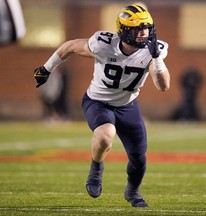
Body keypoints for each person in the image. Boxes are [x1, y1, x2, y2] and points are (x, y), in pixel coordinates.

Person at [33, 4, 170, 208]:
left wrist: (157, 59)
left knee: (139, 157)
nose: (144, 33)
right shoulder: (103, 44)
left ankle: (132, 191)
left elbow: (163, 86)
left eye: (147, 28)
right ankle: (96, 169)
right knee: (106, 134)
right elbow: (70, 46)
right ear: (124, 30)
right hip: (97, 102)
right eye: (138, 28)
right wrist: (46, 68)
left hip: (127, 105)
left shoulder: (153, 51)